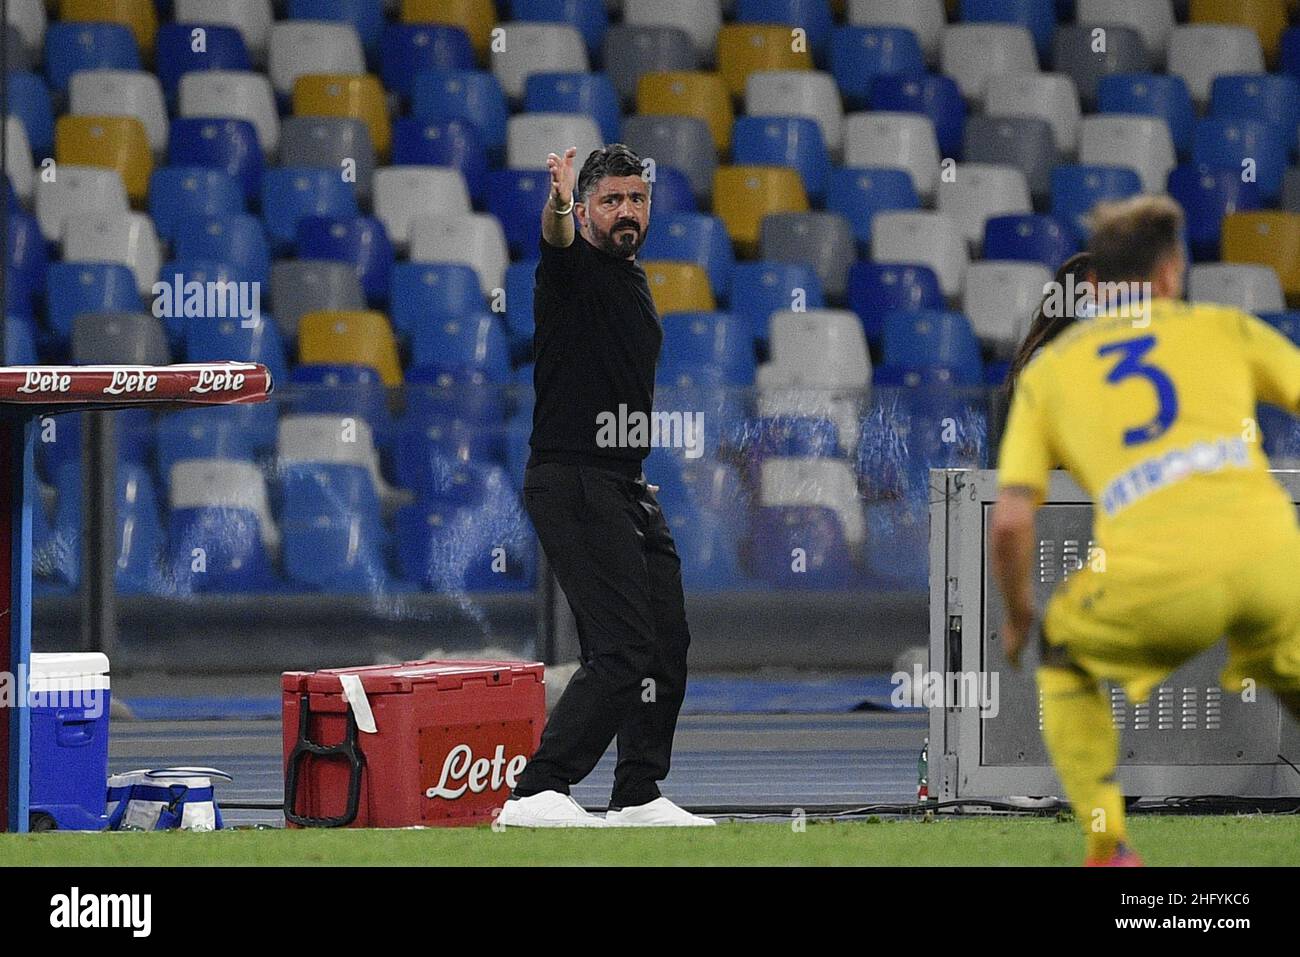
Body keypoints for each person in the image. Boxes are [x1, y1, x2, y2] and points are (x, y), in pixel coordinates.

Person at [991, 195, 1300, 865]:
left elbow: (1010, 515)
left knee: (1063, 653)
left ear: (1095, 288)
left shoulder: (1048, 375)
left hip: (1154, 574)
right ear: (1172, 274)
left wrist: (1018, 615)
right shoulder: (1224, 329)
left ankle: (1107, 841)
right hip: (1267, 557)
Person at [497, 144, 714, 828]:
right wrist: (558, 204)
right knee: (620, 648)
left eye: (637, 198)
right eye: (611, 200)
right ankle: (537, 790)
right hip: (573, 478)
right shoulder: (572, 268)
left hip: (625, 483)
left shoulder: (631, 276)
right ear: (587, 208)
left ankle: (637, 793)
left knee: (667, 641)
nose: (627, 210)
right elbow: (556, 240)